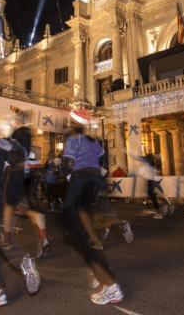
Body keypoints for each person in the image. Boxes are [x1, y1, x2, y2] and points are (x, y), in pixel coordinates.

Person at [0, 120, 41, 306]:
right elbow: (27, 172)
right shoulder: (20, 148)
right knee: (4, 236)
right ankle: (23, 261)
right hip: (11, 200)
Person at [62, 121, 124, 305]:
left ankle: (109, 283)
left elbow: (67, 165)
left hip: (82, 179)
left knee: (70, 224)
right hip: (96, 178)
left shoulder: (73, 140)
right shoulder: (93, 141)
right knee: (84, 213)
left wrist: (69, 177)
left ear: (73, 127)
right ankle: (97, 251)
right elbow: (104, 157)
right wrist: (100, 173)